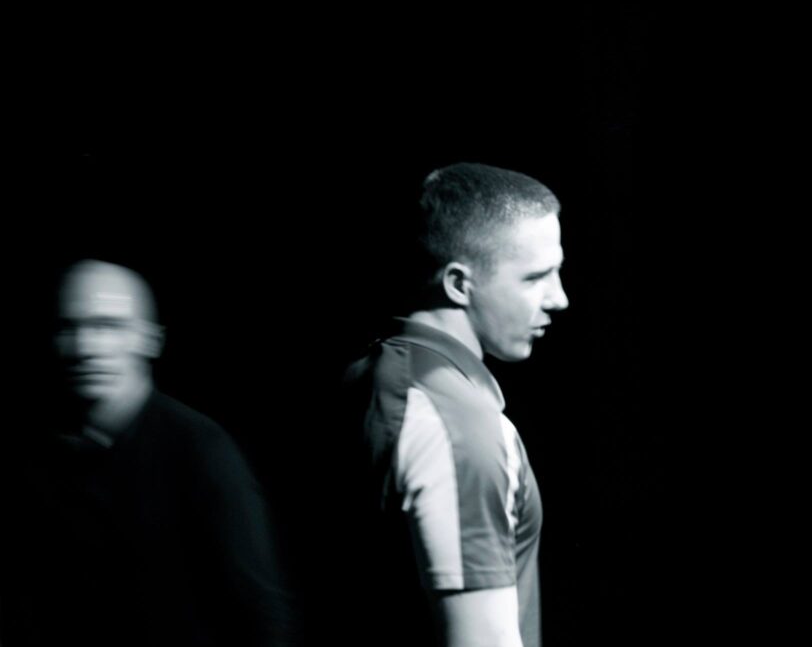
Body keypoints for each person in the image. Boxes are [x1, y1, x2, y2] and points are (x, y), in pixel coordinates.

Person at [0, 259, 294, 646]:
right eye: (70, 327)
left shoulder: (201, 451)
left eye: (108, 325)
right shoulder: (40, 456)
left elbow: (263, 616)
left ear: (151, 340)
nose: (85, 347)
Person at [344, 162, 569, 647]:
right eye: (536, 277)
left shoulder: (373, 373)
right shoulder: (459, 426)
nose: (559, 298)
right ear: (459, 284)